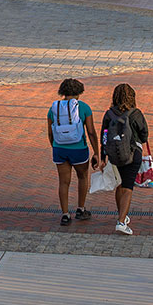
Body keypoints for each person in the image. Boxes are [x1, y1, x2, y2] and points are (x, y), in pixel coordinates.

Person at [46, 77, 101, 226]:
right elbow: (91, 132)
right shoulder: (83, 107)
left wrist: (55, 146)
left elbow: (50, 133)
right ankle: (80, 209)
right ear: (79, 92)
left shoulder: (53, 108)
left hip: (59, 149)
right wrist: (96, 152)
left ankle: (65, 214)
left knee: (63, 182)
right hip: (79, 149)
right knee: (82, 177)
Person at [99, 82, 150, 236]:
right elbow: (144, 135)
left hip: (114, 155)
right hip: (133, 154)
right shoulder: (136, 114)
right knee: (128, 187)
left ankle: (122, 214)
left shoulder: (109, 114)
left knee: (119, 185)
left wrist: (103, 157)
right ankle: (121, 222)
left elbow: (104, 136)